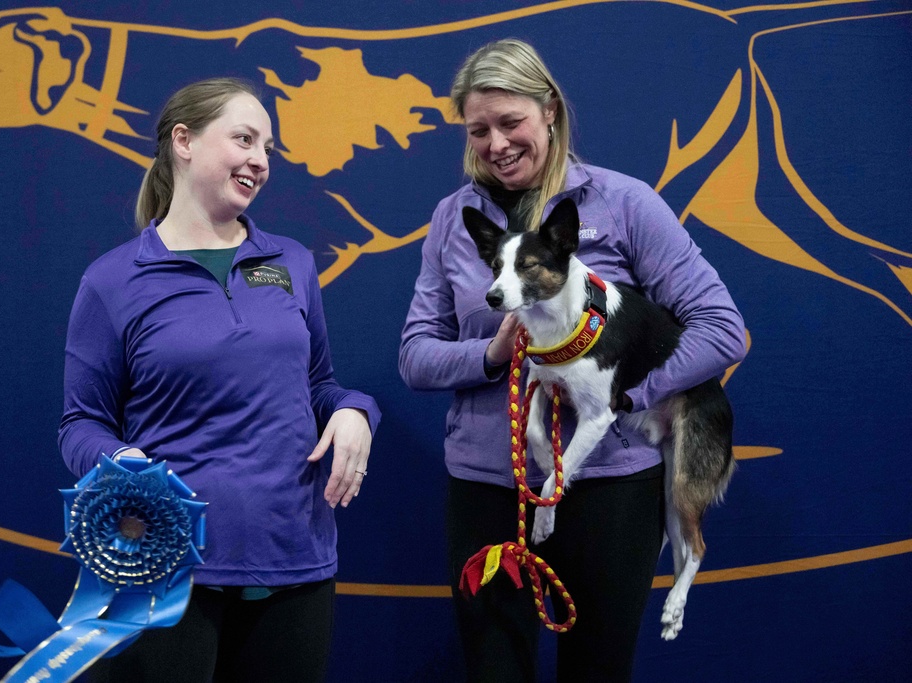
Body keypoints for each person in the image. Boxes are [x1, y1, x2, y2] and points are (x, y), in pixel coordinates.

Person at [399, 40, 746, 682]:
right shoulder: (453, 220)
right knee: (494, 670)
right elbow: (415, 356)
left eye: (511, 123)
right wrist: (493, 351)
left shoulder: (622, 203)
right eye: (479, 130)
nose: (496, 143)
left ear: (550, 111)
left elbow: (723, 330)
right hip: (487, 488)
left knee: (597, 670)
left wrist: (626, 395)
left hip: (608, 490)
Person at [59, 77, 379, 683]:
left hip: (295, 558)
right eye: (244, 139)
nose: (260, 160)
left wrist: (355, 412)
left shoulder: (293, 262)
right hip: (168, 565)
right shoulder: (112, 281)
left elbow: (319, 386)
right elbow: (81, 424)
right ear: (183, 141)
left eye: (268, 148)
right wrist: (123, 463)